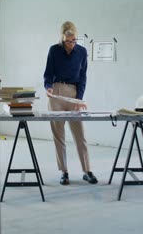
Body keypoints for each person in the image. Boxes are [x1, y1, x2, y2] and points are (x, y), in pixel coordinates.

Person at [43, 21, 98, 185]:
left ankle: (87, 170)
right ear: (62, 38)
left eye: (74, 40)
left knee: (80, 134)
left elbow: (83, 77)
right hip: (57, 93)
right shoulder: (54, 50)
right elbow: (48, 74)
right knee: (58, 135)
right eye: (68, 41)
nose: (71, 44)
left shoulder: (82, 52)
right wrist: (48, 88)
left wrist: (79, 98)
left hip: (74, 93)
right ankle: (64, 172)